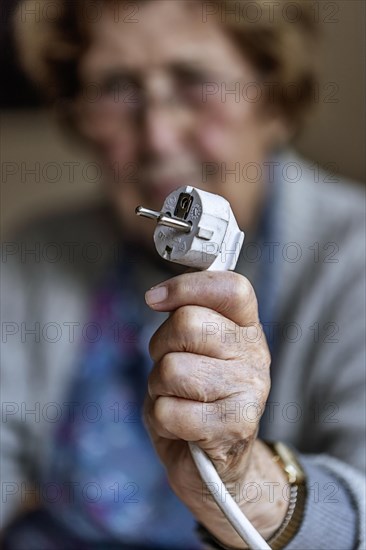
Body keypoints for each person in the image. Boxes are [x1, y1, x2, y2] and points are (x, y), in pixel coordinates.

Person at [1, 0, 365, 548]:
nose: (157, 136)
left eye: (195, 82)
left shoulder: (353, 257)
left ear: (273, 99)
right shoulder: (36, 257)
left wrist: (246, 483)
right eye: (115, 88)